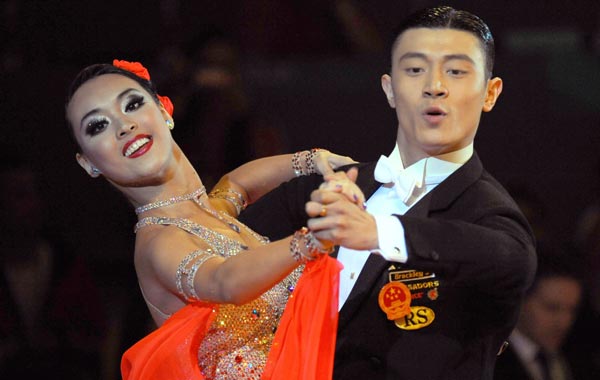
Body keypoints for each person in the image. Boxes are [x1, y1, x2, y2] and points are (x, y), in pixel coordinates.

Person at [238, 5, 537, 379]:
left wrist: (381, 232)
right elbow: (220, 248)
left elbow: (512, 258)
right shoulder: (328, 187)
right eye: (415, 69)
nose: (435, 86)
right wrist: (227, 192)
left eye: (457, 71)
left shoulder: (488, 210)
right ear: (390, 89)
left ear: (490, 93)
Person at [64, 59, 360, 379]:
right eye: (97, 126)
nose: (123, 126)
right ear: (88, 164)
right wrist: (311, 240)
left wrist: (314, 160)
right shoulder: (158, 242)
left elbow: (238, 184)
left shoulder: (211, 212)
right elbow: (224, 281)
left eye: (132, 104)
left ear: (164, 111)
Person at [0, 149, 106, 379]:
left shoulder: (67, 266)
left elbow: (94, 339)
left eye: (34, 193)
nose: (31, 204)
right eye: (19, 194)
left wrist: (59, 341)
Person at [494, 246, 587, 380]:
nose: (565, 322)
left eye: (572, 310)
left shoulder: (577, 357)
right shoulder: (488, 360)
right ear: (520, 301)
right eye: (552, 308)